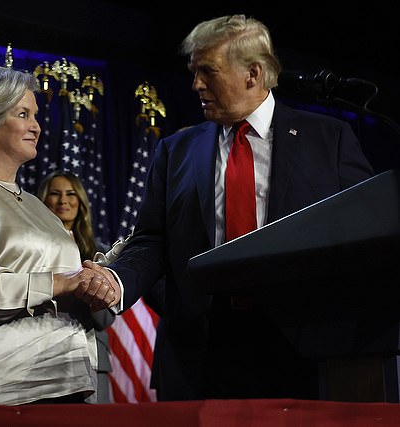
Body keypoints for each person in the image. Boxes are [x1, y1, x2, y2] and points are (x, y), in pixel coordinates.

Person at [104, 14, 375, 401]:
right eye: (194, 72)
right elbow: (152, 240)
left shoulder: (329, 141)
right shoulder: (175, 151)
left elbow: (362, 237)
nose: (196, 84)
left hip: (299, 351)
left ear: (253, 73)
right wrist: (120, 281)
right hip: (199, 353)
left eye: (208, 72)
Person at [0, 66, 119, 406]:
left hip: (66, 380)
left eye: (36, 115)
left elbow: (66, 282)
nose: (36, 126)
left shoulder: (35, 205)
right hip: (1, 384)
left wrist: (92, 282)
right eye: (23, 114)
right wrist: (57, 284)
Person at [37, 170, 116, 404]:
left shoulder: (99, 253)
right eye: (55, 193)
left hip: (92, 359)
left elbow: (105, 320)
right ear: (43, 201)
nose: (63, 200)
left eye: (71, 194)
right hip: (42, 358)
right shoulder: (29, 251)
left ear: (80, 202)